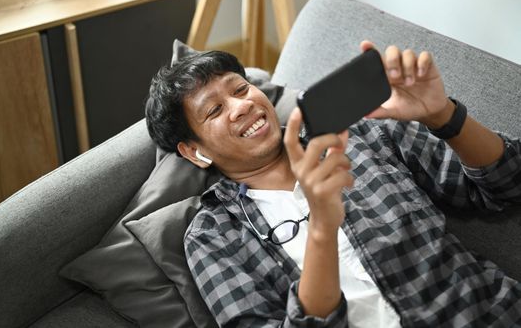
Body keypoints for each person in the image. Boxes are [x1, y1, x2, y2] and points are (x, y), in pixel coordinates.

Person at [145, 40, 521, 327]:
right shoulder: (211, 236)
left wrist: (444, 116)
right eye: (214, 110)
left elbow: (508, 182)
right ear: (194, 152)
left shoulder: (360, 136)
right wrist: (322, 228)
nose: (241, 105)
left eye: (240, 89)